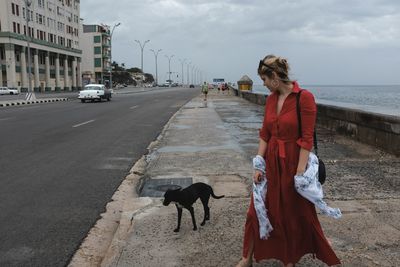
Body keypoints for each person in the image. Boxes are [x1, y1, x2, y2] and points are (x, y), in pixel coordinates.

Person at [236, 55, 341, 267]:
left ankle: (289, 258)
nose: (263, 84)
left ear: (274, 76)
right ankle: (247, 258)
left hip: (293, 163)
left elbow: (306, 138)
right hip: (271, 162)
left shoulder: (304, 97)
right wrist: (259, 165)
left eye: (264, 79)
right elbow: (265, 133)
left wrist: (300, 173)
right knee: (256, 208)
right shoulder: (271, 99)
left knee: (291, 214)